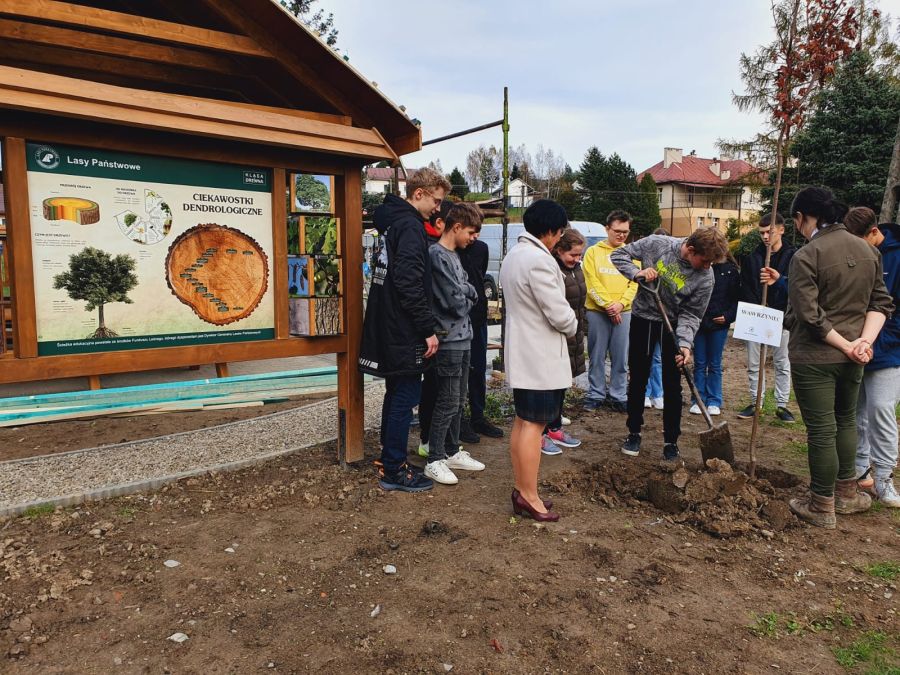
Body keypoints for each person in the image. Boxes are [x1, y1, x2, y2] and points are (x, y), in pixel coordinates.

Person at [785, 187, 893, 528]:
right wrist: (863, 343)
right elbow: (881, 303)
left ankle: (821, 504)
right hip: (855, 358)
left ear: (803, 217)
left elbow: (809, 315)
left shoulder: (806, 255)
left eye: (796, 221)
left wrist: (846, 345)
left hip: (815, 356)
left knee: (821, 430)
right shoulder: (868, 250)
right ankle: (847, 495)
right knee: (846, 420)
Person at [359, 168, 451, 492]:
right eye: (436, 201)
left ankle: (389, 457)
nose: (437, 209)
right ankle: (395, 470)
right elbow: (408, 282)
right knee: (406, 395)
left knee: (396, 391)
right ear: (418, 193)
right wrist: (427, 329)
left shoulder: (392, 222)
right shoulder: (410, 226)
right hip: (404, 328)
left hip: (388, 324)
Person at [611, 227, 728, 460]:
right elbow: (618, 255)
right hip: (644, 319)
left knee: (673, 384)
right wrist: (637, 272)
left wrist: (684, 344)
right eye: (705, 261)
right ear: (691, 249)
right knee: (638, 378)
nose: (708, 267)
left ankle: (671, 441)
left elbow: (692, 313)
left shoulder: (706, 277)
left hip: (673, 326)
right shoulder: (657, 244)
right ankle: (634, 432)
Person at [500, 200, 577, 522]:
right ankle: (529, 496)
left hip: (523, 350)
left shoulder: (514, 255)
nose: (559, 238)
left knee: (524, 422)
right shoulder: (539, 261)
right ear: (549, 230)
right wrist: (573, 323)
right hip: (540, 355)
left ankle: (523, 490)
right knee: (534, 425)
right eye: (559, 232)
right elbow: (558, 313)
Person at [423, 202, 487, 485]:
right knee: (447, 400)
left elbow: (470, 289)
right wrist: (467, 293)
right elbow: (457, 302)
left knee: (459, 399)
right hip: (448, 338)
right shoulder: (437, 255)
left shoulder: (455, 256)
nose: (473, 238)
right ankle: (434, 458)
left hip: (464, 336)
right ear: (457, 227)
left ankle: (451, 450)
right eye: (471, 232)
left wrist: (466, 292)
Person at [844, 207, 900, 507]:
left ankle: (884, 478)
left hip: (887, 352)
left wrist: (876, 342)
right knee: (856, 413)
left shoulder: (897, 257)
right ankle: (859, 471)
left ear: (874, 232)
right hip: (853, 348)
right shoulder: (856, 254)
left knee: (881, 409)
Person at [737, 213, 797, 422]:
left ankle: (782, 405)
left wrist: (779, 285)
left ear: (781, 230)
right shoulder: (752, 258)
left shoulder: (793, 257)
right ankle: (757, 402)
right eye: (761, 232)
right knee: (755, 363)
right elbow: (746, 286)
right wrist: (757, 308)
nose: (765, 237)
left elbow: (796, 287)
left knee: (782, 362)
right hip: (757, 317)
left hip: (782, 317)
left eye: (769, 232)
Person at [582, 210, 638, 413]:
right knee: (596, 355)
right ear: (607, 229)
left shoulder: (632, 254)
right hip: (597, 311)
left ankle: (618, 394)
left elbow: (635, 283)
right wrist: (607, 305)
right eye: (617, 231)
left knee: (621, 356)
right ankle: (596, 393)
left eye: (625, 232)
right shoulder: (593, 252)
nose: (621, 235)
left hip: (624, 312)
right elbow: (591, 281)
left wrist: (621, 304)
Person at [541, 227, 587, 455]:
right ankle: (541, 433)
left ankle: (555, 428)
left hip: (573, 333)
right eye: (573, 255)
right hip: (557, 334)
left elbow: (580, 303)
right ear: (559, 250)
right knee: (548, 387)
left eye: (580, 255)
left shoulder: (576, 269)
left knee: (561, 385)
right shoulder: (551, 269)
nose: (577, 259)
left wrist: (581, 329)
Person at [458, 227, 504, 441]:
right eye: (471, 231)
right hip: (457, 318)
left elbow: (479, 276)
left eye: (477, 231)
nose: (475, 236)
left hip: (477, 317)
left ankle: (478, 416)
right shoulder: (448, 250)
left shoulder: (481, 249)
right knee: (458, 373)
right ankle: (459, 421)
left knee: (477, 368)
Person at [416, 200, 452, 459]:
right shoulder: (431, 248)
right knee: (433, 387)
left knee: (441, 388)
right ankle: (429, 440)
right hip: (434, 328)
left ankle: (441, 440)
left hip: (439, 328)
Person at [690, 252, 740, 416]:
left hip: (719, 324)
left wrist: (728, 316)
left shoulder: (730, 270)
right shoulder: (698, 267)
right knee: (699, 362)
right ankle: (698, 399)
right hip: (699, 322)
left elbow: (736, 298)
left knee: (715, 363)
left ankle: (714, 400)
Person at [644, 227, 668, 411]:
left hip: (664, 318)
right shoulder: (645, 262)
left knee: (658, 358)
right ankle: (645, 393)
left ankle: (658, 394)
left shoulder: (671, 266)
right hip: (646, 316)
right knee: (645, 356)